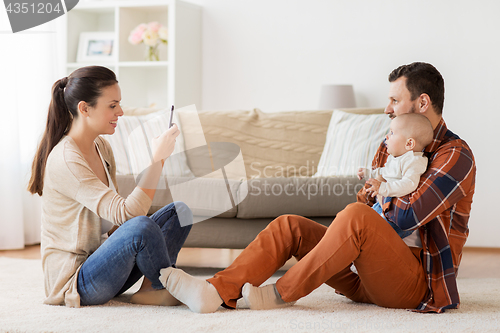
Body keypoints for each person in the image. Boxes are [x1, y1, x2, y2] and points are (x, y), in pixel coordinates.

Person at [157, 62, 476, 314]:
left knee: (355, 216)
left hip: (415, 285)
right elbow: (367, 204)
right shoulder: (389, 142)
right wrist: (370, 197)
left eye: (394, 100)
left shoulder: (454, 155)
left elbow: (405, 218)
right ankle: (214, 292)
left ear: (422, 102)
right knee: (289, 226)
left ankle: (279, 294)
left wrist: (373, 198)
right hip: (366, 273)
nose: (386, 108)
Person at [27, 66, 193, 307]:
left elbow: (118, 222)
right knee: (141, 225)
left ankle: (151, 288)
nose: (121, 112)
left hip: (104, 266)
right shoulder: (66, 159)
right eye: (112, 105)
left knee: (180, 212)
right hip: (76, 283)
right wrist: (157, 160)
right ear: (84, 108)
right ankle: (164, 286)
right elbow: (129, 214)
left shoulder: (101, 147)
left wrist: (126, 239)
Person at [357, 113, 434, 239]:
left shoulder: (414, 161)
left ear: (409, 144)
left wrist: (382, 188)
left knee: (371, 236)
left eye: (392, 133)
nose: (386, 136)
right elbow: (386, 172)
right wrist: (368, 173)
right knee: (360, 224)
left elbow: (409, 184)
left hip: (395, 217)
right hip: (382, 206)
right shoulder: (397, 157)